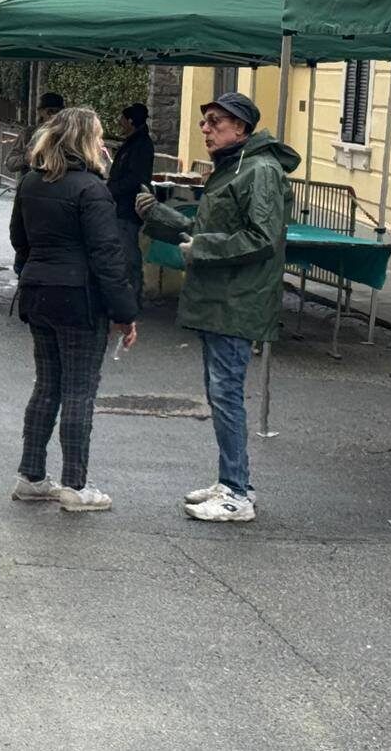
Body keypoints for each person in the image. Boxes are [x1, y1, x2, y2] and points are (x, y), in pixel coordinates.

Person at [137, 91, 298, 523]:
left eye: (215, 122)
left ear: (241, 128)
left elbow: (261, 239)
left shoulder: (259, 170)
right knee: (220, 393)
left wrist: (199, 248)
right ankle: (232, 480)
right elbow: (206, 230)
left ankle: (236, 492)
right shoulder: (235, 168)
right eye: (204, 121)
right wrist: (160, 216)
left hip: (237, 302)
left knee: (226, 394)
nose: (205, 129)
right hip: (222, 299)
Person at [9, 108, 139, 512]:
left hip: (38, 290)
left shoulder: (31, 182)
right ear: (86, 140)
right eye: (99, 136)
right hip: (79, 297)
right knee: (79, 391)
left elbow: (19, 238)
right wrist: (124, 312)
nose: (104, 144)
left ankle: (31, 476)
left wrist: (35, 270)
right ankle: (75, 484)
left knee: (46, 386)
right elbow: (107, 255)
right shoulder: (92, 189)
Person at [108, 103, 155, 307]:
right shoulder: (134, 143)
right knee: (124, 252)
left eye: (122, 119)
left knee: (128, 255)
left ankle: (132, 297)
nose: (119, 123)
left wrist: (111, 189)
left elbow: (135, 178)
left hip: (127, 207)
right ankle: (128, 295)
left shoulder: (140, 145)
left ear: (130, 121)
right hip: (123, 205)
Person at [5, 92, 67, 175]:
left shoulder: (67, 133)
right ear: (41, 112)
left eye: (58, 112)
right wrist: (25, 158)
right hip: (33, 182)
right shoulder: (28, 133)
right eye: (50, 111)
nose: (54, 116)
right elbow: (10, 163)